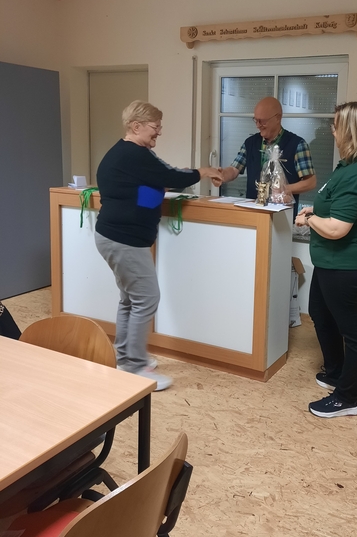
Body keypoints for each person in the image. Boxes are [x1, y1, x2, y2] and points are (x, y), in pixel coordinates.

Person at [95, 100, 222, 391]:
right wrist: (203, 171)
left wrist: (161, 186)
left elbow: (144, 194)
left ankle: (125, 359)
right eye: (155, 127)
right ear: (135, 126)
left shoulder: (121, 153)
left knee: (131, 299)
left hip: (114, 237)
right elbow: (170, 176)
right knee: (146, 299)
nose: (159, 132)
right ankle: (135, 367)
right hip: (124, 240)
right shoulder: (135, 155)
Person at [295, 101, 357, 418]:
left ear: (351, 130)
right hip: (332, 261)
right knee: (320, 313)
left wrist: (309, 219)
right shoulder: (350, 165)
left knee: (355, 333)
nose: (332, 130)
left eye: (336, 125)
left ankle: (347, 398)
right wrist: (316, 211)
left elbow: (337, 229)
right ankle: (335, 372)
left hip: (348, 263)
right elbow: (335, 210)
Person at [213, 97, 316, 213]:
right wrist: (222, 175)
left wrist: (285, 189)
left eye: (262, 121)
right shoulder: (250, 143)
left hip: (282, 216)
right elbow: (234, 169)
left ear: (278, 118)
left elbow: (310, 182)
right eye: (255, 120)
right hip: (252, 213)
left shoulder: (297, 144)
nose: (258, 125)